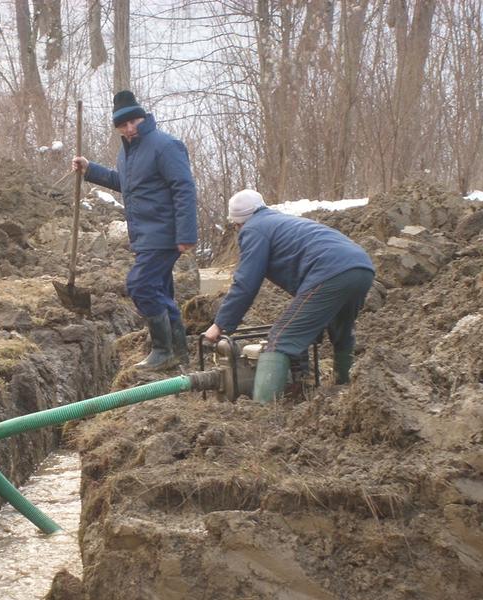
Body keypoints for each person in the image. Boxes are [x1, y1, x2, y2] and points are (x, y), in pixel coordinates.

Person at [203, 189, 374, 403]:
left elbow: (245, 284)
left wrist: (220, 324)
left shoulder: (254, 229)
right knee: (341, 331)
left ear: (237, 223)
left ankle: (262, 409)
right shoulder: (280, 221)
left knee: (281, 339)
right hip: (361, 267)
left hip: (329, 272)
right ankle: (343, 390)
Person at [72, 90, 198, 371]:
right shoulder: (126, 153)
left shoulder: (165, 145)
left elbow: (184, 188)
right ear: (117, 126)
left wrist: (187, 234)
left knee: (139, 285)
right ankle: (179, 354)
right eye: (123, 124)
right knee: (161, 292)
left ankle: (163, 350)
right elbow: (126, 184)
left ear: (143, 117)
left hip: (164, 233)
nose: (129, 128)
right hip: (144, 235)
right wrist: (90, 169)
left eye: (134, 121)